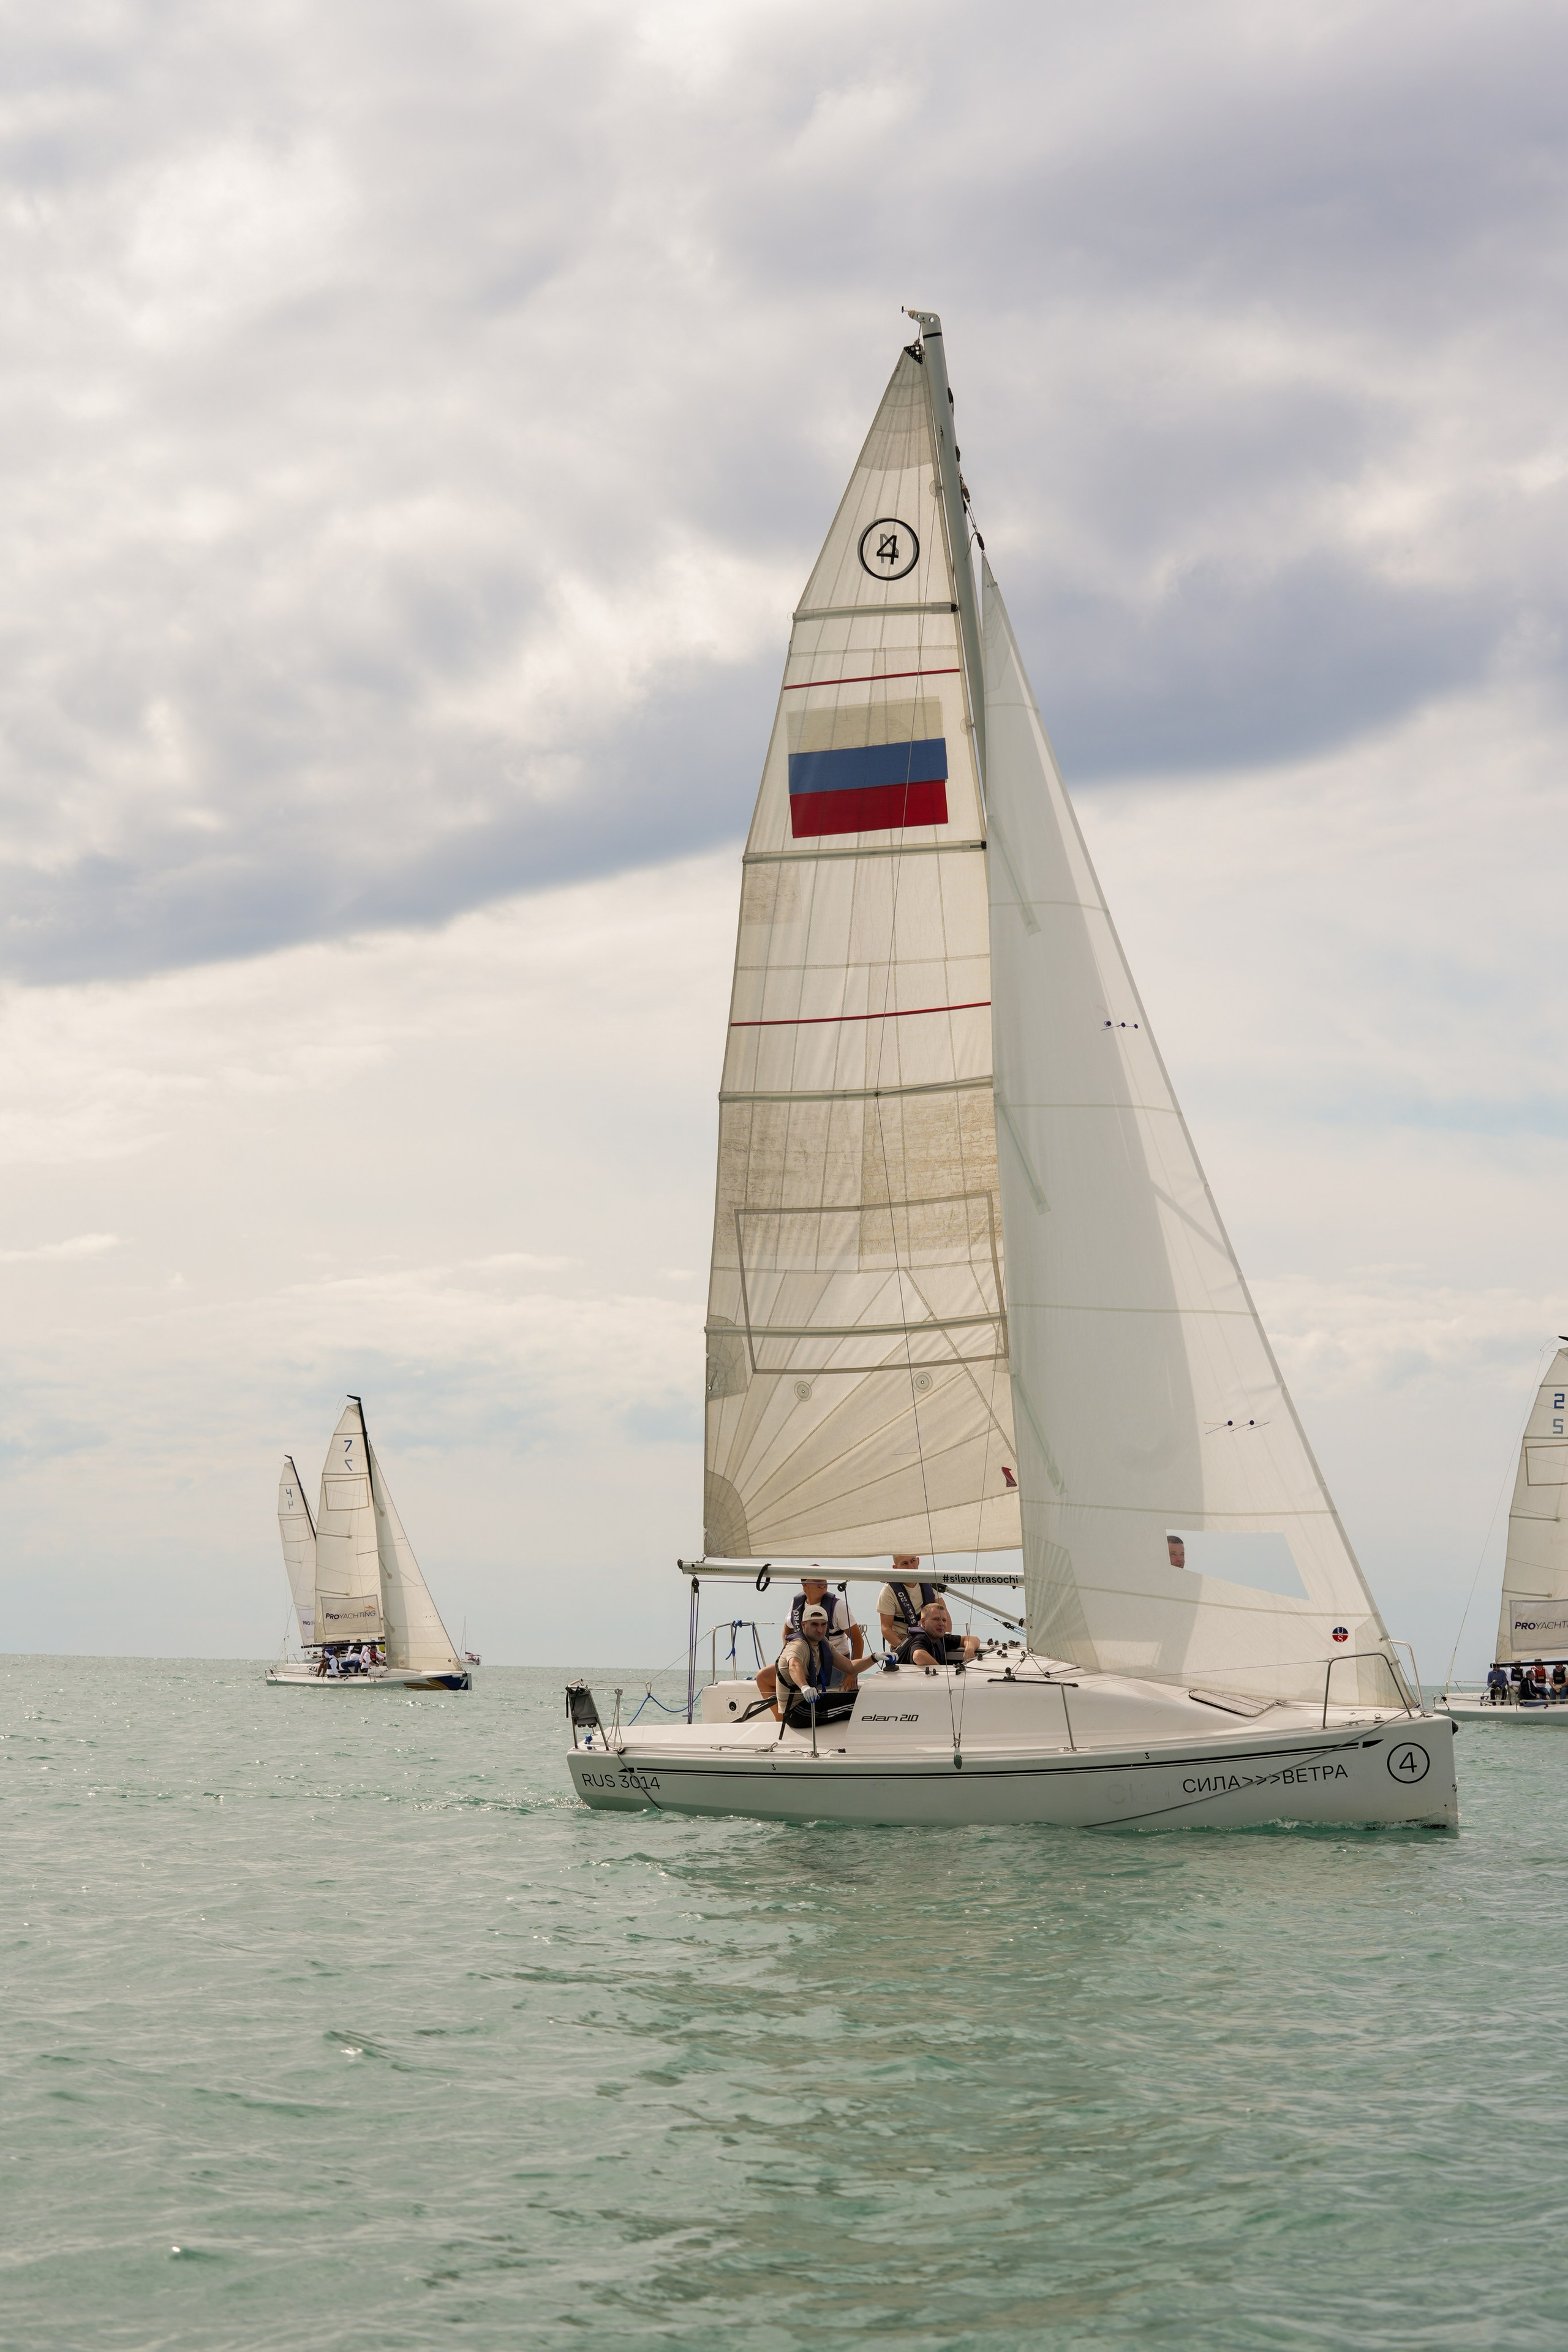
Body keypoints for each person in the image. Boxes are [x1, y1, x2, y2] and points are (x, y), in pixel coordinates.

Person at [753, 1576, 865, 1704]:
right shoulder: (797, 1605)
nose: (823, 1582)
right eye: (817, 1580)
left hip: (834, 1668)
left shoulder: (838, 1606)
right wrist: (789, 1655)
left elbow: (857, 1640)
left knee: (794, 1678)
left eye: (824, 1579)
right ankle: (782, 1719)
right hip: (805, 1664)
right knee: (763, 1677)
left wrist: (852, 1674)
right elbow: (787, 1630)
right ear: (805, 1585)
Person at [773, 1604, 881, 1719]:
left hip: (813, 1701)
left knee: (861, 1697)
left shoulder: (823, 1642)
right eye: (814, 1625)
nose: (820, 1630)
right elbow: (794, 1666)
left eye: (823, 1625)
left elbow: (850, 1667)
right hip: (797, 1710)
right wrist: (804, 1687)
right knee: (861, 1703)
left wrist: (875, 1657)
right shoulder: (798, 1645)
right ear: (803, 1625)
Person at [896, 1598, 982, 1668]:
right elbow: (918, 1656)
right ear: (923, 1622)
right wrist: (942, 1671)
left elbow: (973, 1639)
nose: (942, 1624)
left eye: (944, 1620)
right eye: (936, 1619)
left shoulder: (939, 1638)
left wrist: (969, 1651)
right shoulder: (920, 1637)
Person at [877, 1555, 938, 1651]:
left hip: (931, 1639)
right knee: (919, 1656)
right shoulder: (889, 1591)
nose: (911, 1567)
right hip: (902, 1641)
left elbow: (944, 1614)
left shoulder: (929, 1583)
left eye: (913, 1561)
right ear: (895, 1568)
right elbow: (886, 1628)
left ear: (918, 1561)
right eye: (905, 1563)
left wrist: (943, 1642)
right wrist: (906, 1649)